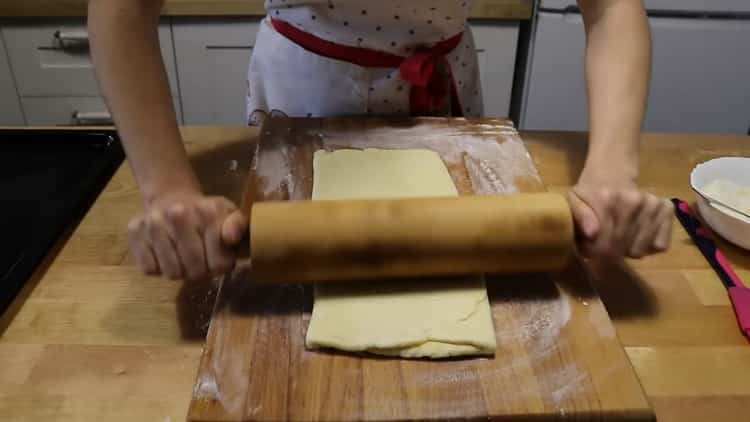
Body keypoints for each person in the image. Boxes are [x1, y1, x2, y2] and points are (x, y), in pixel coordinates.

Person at [88, 0, 672, 282]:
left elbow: (612, 7)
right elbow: (121, 10)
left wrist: (611, 174)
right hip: (305, 88)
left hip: (441, 90)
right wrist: (165, 187)